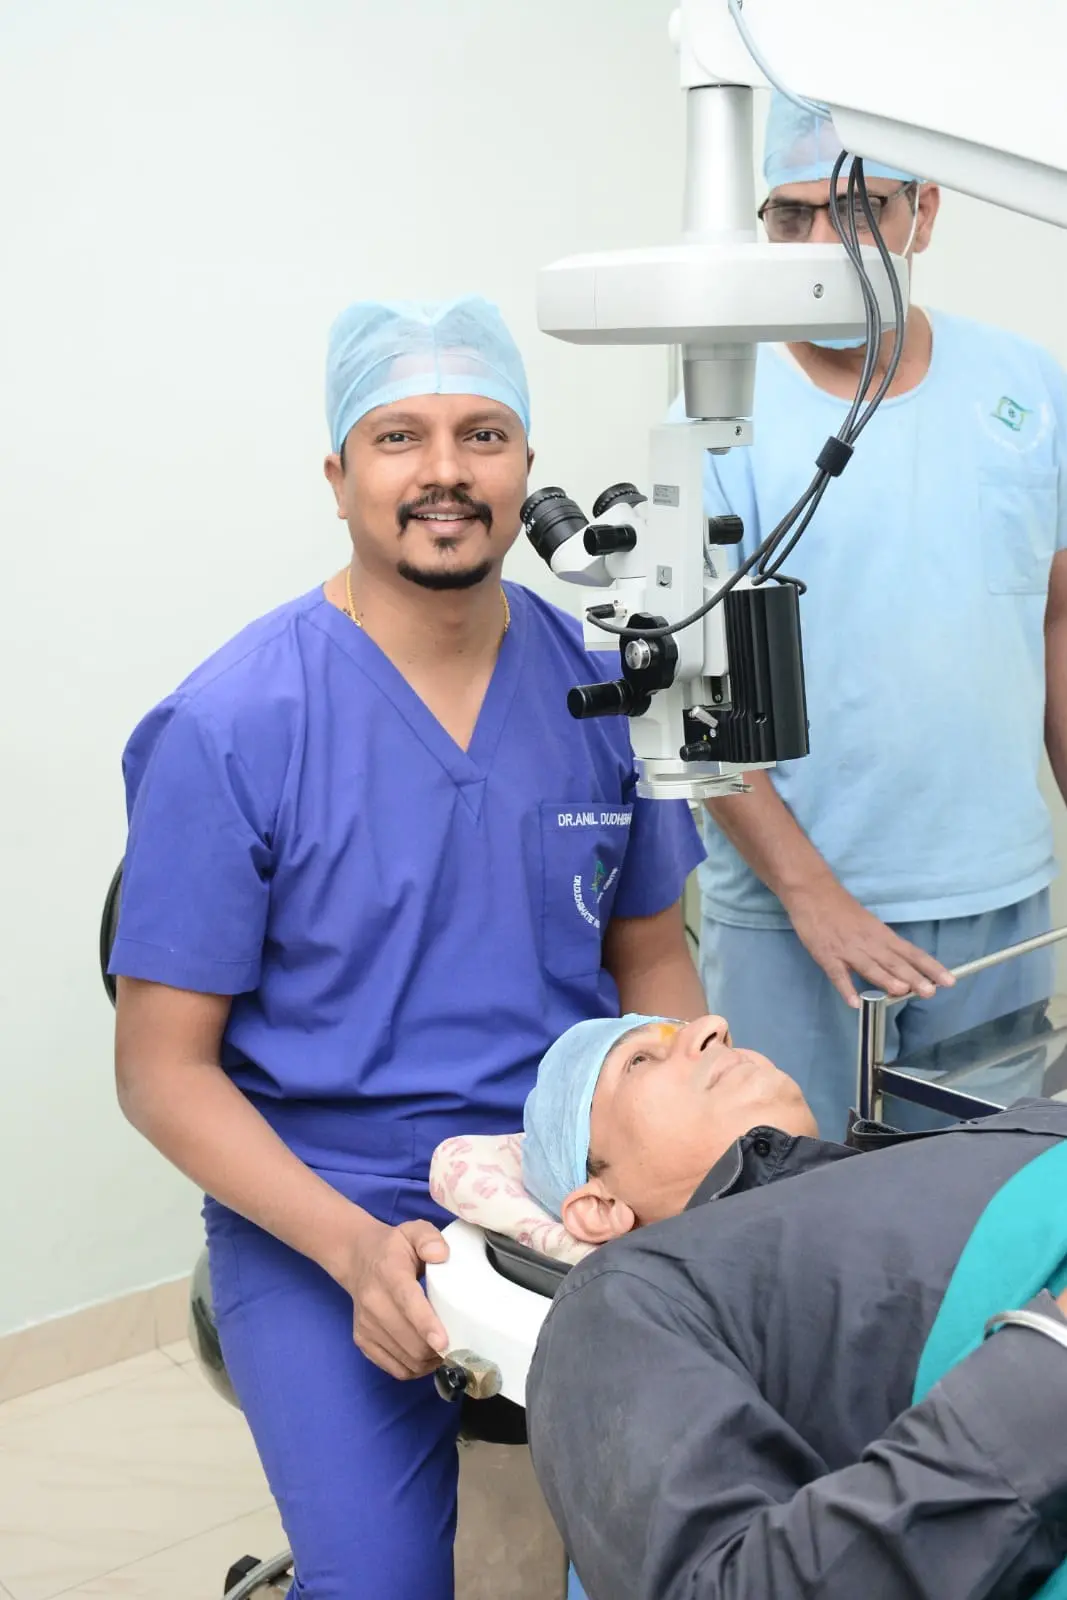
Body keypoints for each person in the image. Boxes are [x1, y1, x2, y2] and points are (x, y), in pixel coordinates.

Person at [109, 295, 706, 1599]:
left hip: (561, 1182)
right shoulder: (232, 726)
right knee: (380, 1583)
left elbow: (648, 954)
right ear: (338, 477)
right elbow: (161, 1071)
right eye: (398, 438)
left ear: (523, 468)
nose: (443, 470)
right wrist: (344, 1247)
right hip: (322, 1203)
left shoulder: (600, 684)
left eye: (481, 433)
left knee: (679, 1544)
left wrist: (676, 1171)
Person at [672, 93, 1067, 1140]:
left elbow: (1056, 624)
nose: (814, 244)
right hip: (790, 909)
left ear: (922, 212)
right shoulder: (720, 408)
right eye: (788, 216)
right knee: (787, 1223)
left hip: (996, 892)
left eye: (850, 214)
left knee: (983, 1216)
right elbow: (696, 688)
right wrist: (810, 895)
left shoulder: (1026, 388)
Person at [522, 1010, 1067, 1598]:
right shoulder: (619, 1299)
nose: (714, 1024)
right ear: (599, 1208)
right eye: (639, 1060)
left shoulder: (921, 1159)